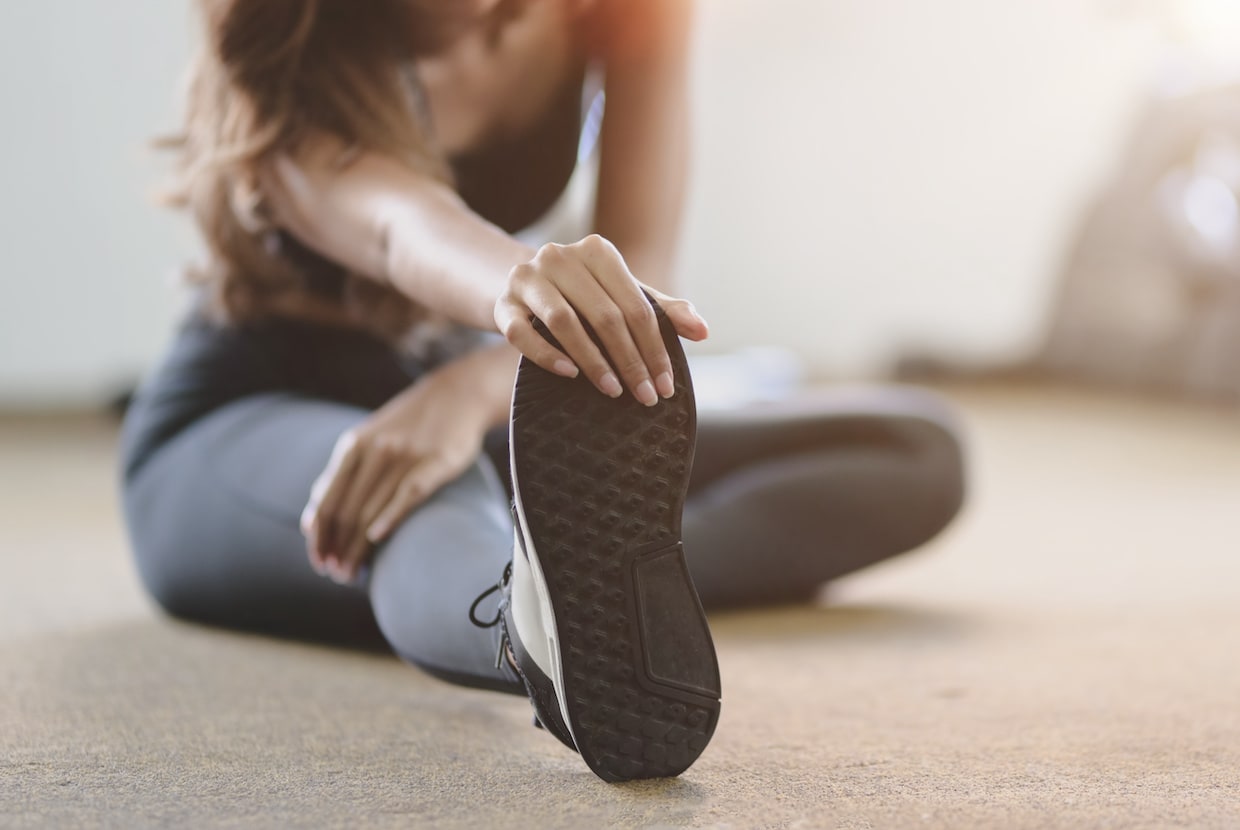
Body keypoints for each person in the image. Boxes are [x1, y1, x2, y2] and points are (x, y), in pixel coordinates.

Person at [120, 0, 966, 782]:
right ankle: (530, 626)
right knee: (424, 487)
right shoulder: (286, 38)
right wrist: (520, 290)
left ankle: (589, 575)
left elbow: (646, 259)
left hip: (457, 391)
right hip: (243, 416)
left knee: (916, 449)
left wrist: (464, 395)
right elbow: (401, 229)